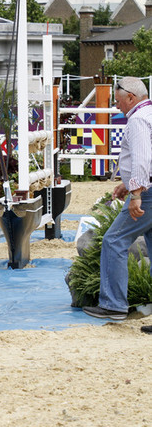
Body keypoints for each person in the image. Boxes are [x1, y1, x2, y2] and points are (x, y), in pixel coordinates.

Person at [83, 77, 152, 321]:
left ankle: (114, 305)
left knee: (114, 240)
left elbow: (143, 159)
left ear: (131, 97)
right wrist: (129, 182)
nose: (116, 103)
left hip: (147, 194)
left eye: (118, 98)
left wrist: (135, 193)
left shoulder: (138, 119)